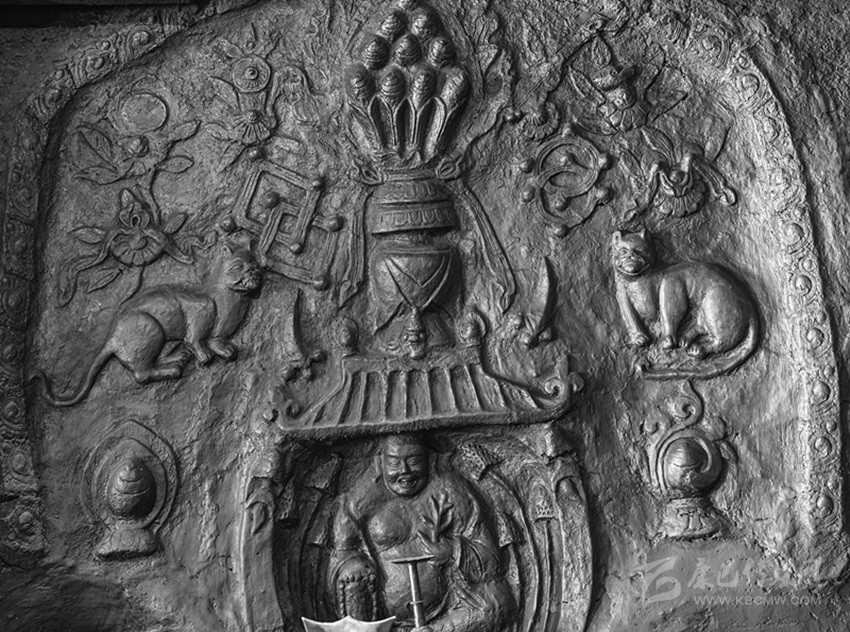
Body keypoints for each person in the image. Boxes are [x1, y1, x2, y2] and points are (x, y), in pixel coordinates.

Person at [328, 433, 514, 632]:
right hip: (384, 611)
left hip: (451, 606)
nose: (405, 471)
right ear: (379, 462)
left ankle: (435, 630)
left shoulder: (452, 491)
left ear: (430, 460)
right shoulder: (359, 501)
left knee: (496, 603)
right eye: (394, 463)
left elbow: (491, 559)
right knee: (353, 581)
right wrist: (351, 564)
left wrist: (453, 551)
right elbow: (342, 552)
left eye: (414, 461)